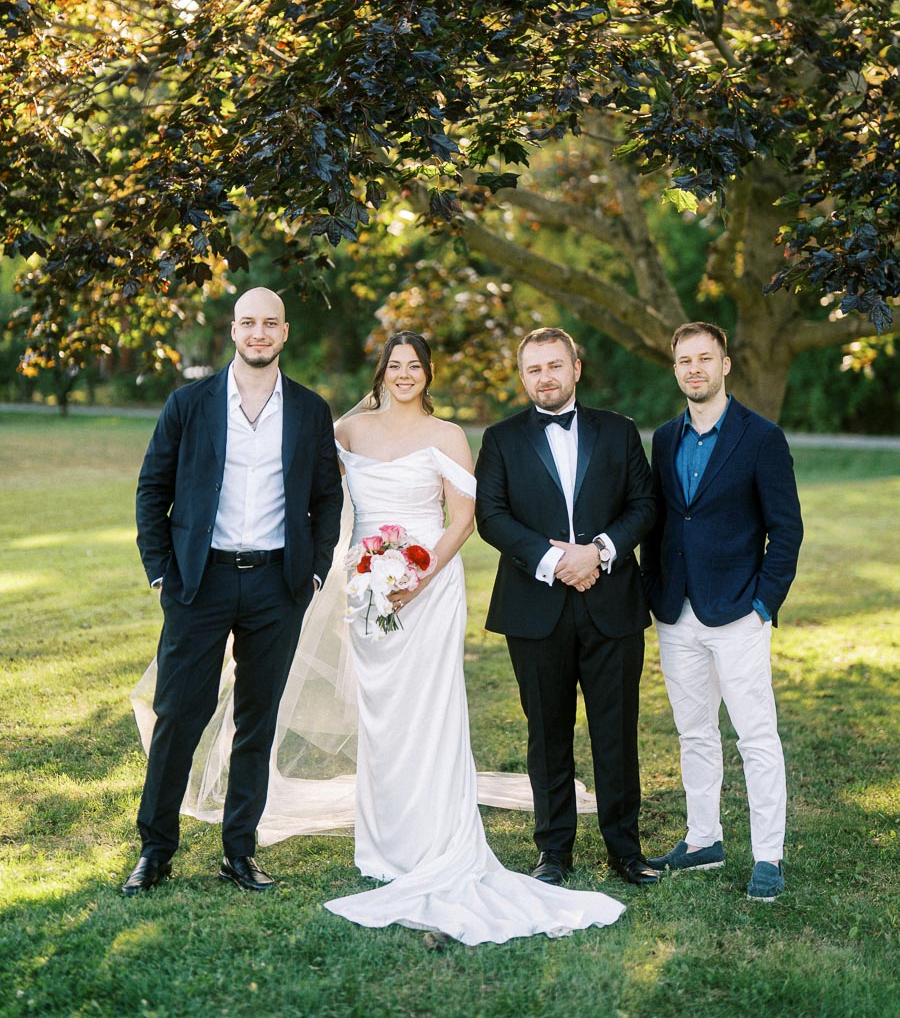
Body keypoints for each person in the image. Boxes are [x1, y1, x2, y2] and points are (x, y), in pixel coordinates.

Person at [131, 330, 628, 944]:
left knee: (430, 712)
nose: (404, 374)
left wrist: (418, 577)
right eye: (395, 365)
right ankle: (382, 842)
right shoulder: (344, 430)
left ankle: (434, 835)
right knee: (381, 717)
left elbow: (466, 519)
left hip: (429, 589)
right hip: (365, 590)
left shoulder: (448, 437)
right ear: (381, 372)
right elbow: (304, 488)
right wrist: (333, 565)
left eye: (414, 366)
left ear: (428, 373)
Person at [123, 286, 343, 896]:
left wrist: (315, 572)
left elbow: (328, 498)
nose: (258, 334)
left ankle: (239, 852)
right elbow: (151, 491)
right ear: (233, 330)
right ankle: (155, 850)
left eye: (270, 323)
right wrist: (163, 573)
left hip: (278, 583)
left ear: (285, 332)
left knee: (257, 720)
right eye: (248, 322)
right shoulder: (189, 403)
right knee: (178, 716)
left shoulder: (308, 410)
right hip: (200, 582)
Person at [475, 327, 660, 889]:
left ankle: (624, 850)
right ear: (523, 375)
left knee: (616, 731)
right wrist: (552, 562)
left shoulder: (619, 431)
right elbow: (492, 516)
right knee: (547, 734)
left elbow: (645, 503)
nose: (545, 378)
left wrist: (599, 552)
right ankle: (553, 850)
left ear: (576, 368)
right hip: (535, 607)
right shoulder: (501, 438)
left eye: (554, 365)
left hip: (612, 604)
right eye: (533, 369)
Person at [640, 322, 803, 902]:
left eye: (704, 358)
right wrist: (655, 590)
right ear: (676, 369)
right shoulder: (663, 438)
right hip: (676, 610)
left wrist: (764, 604)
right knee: (694, 732)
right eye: (684, 361)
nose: (694, 369)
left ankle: (768, 855)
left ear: (726, 364)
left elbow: (786, 530)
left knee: (756, 735)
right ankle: (704, 839)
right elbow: (659, 521)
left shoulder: (761, 438)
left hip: (738, 611)